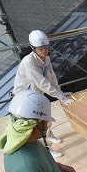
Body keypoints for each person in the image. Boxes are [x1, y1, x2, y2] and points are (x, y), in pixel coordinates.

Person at [13, 30, 73, 158]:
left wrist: (60, 93)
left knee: (45, 120)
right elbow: (43, 83)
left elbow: (51, 78)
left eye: (46, 47)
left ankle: (50, 136)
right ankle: (47, 151)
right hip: (25, 99)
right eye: (40, 49)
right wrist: (61, 97)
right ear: (33, 48)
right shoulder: (29, 62)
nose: (44, 51)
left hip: (37, 95)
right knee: (36, 127)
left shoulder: (46, 59)